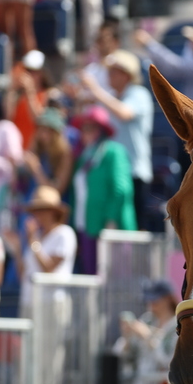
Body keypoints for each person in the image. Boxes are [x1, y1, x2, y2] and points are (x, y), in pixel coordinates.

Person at [80, 50, 155, 228]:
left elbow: (124, 113)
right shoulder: (111, 97)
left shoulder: (139, 94)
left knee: (132, 232)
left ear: (126, 74)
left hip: (134, 173)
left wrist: (95, 90)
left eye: (113, 71)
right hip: (111, 173)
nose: (108, 76)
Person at [70, 105, 136, 273]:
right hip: (87, 227)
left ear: (101, 130)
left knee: (115, 282)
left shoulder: (113, 152)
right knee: (93, 278)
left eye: (91, 128)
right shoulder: (84, 156)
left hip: (110, 228)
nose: (86, 132)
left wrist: (110, 220)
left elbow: (121, 189)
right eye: (83, 128)